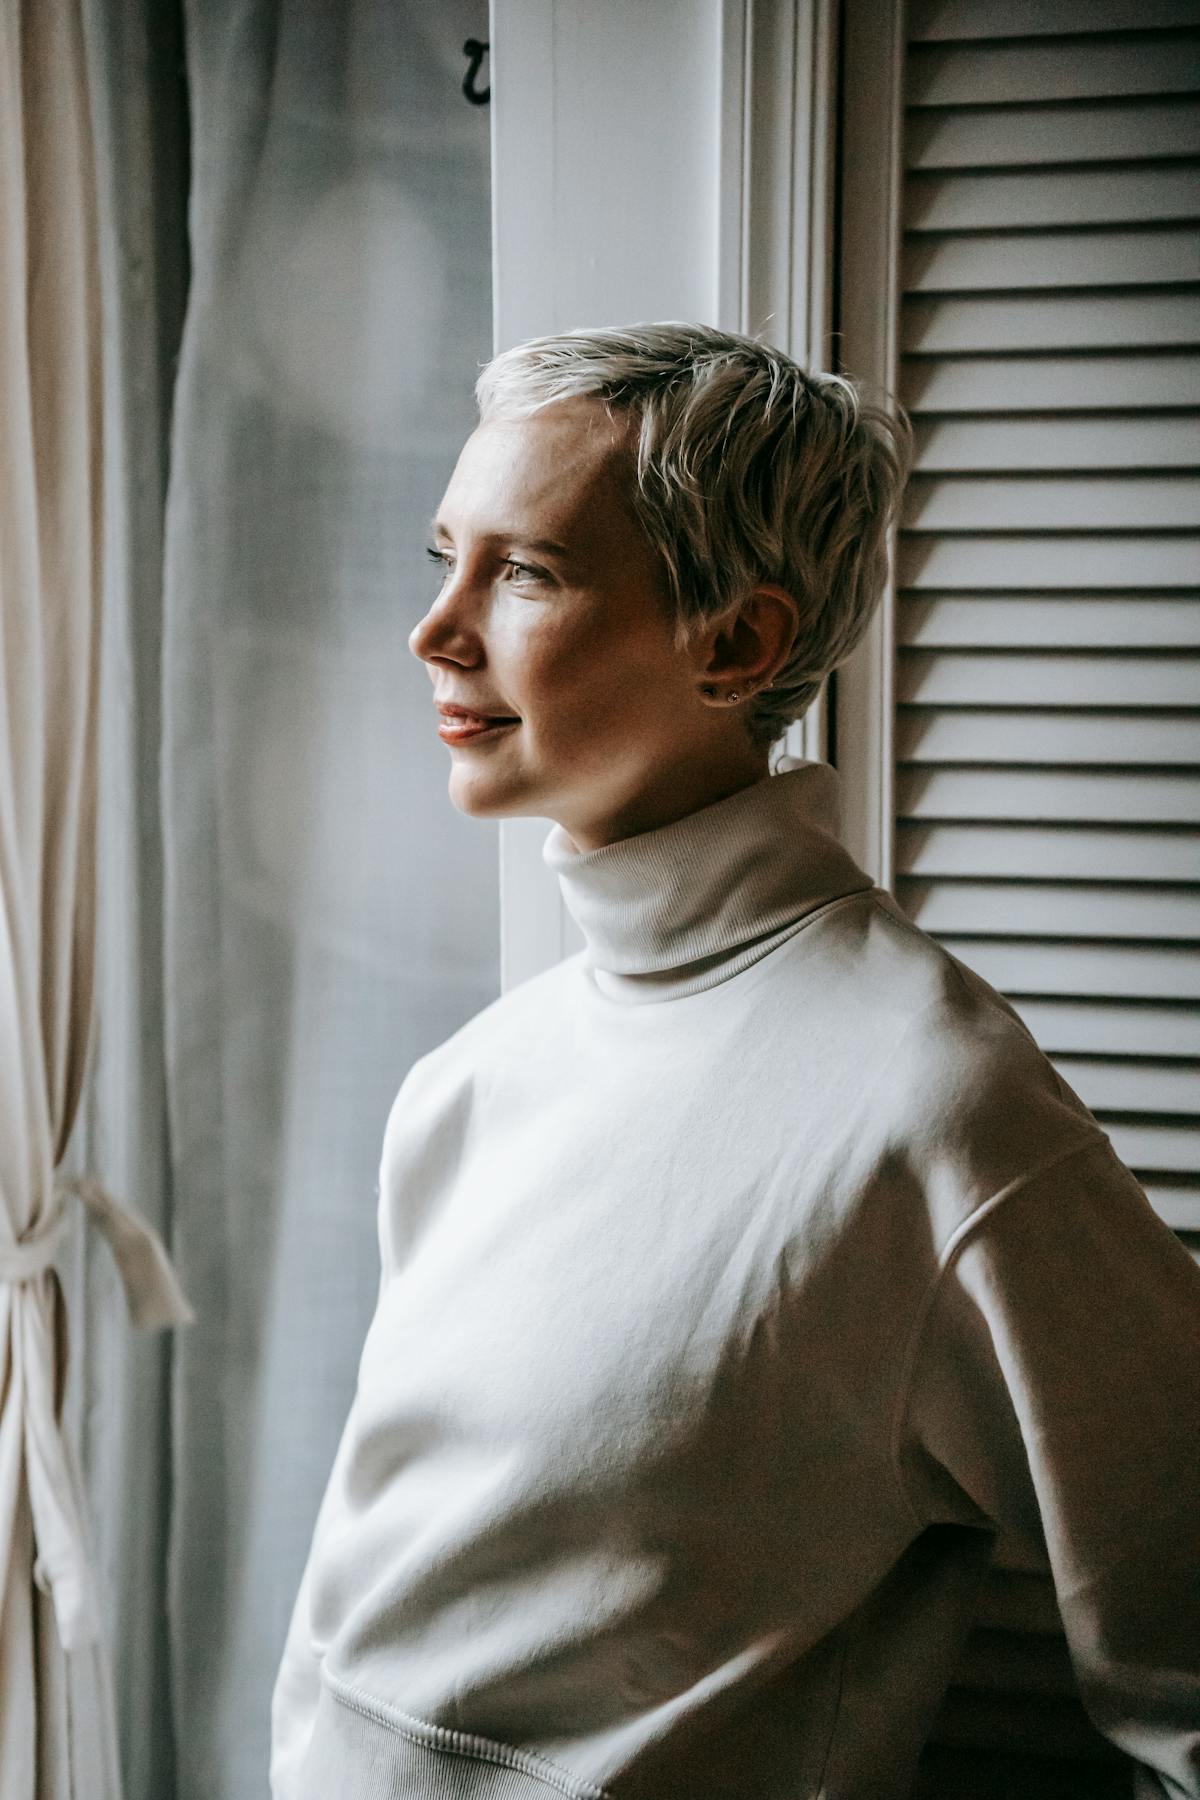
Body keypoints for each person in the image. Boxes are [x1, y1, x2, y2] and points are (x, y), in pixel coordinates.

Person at [270, 324, 1200, 1799]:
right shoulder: (467, 1085)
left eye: (523, 573)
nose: (434, 630)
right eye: (446, 554)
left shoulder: (933, 1108)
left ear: (739, 644)